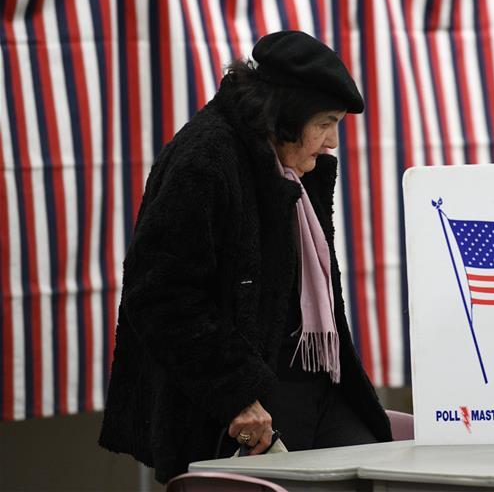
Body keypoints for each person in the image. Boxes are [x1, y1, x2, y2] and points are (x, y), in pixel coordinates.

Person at [99, 31, 392, 483]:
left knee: (379, 475)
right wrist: (235, 394)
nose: (333, 141)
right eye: (325, 122)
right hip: (246, 405)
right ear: (286, 114)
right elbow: (159, 295)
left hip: (314, 388)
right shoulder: (205, 159)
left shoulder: (283, 158)